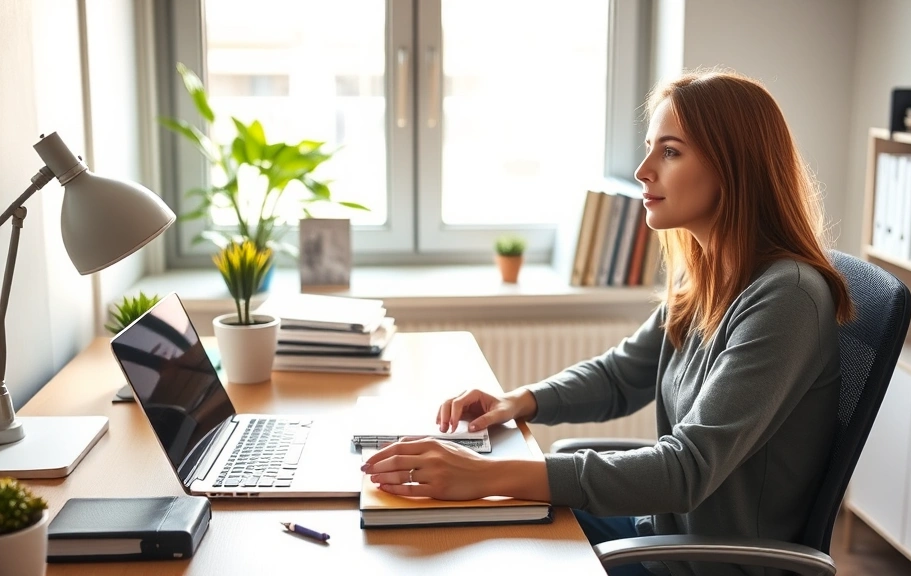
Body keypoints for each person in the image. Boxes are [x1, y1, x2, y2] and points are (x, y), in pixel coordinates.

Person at [361, 69, 854, 576]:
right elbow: (622, 375)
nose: (643, 170)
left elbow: (685, 470)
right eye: (649, 148)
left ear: (735, 167)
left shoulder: (787, 299)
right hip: (661, 538)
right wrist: (519, 400)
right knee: (459, 529)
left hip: (702, 565)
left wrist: (487, 475)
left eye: (670, 152)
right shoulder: (711, 274)